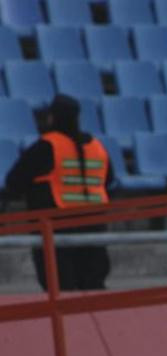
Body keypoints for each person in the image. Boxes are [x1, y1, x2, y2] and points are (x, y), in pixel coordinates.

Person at [3, 94, 113, 291]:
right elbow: (109, 180)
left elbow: (14, 182)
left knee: (62, 292)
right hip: (95, 230)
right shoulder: (97, 147)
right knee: (94, 291)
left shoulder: (47, 146)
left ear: (52, 118)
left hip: (56, 230)